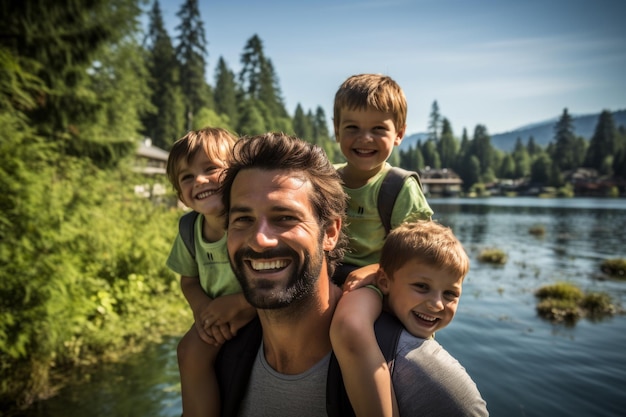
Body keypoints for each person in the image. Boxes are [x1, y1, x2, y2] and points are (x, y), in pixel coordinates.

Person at [214, 132, 488, 416]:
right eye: (243, 219)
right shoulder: (222, 357)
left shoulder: (421, 376)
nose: (260, 240)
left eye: (285, 218)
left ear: (330, 232)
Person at [330, 220, 472, 417]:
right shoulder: (371, 293)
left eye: (450, 294)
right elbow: (350, 327)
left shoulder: (408, 307)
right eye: (422, 287)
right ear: (384, 282)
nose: (437, 304)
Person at [165, 127, 256, 417]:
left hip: (261, 305)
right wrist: (204, 311)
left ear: (236, 173)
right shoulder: (190, 230)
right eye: (187, 177)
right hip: (217, 317)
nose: (200, 181)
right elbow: (189, 279)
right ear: (180, 193)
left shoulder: (253, 220)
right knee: (188, 352)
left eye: (211, 169)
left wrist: (240, 303)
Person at [331, 73, 433, 285]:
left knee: (351, 319)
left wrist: (375, 270)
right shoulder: (324, 178)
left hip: (374, 282)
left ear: (399, 134)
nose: (365, 138)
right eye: (352, 127)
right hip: (322, 274)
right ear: (337, 130)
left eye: (378, 129)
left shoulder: (400, 187)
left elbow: (418, 252)